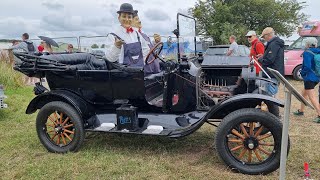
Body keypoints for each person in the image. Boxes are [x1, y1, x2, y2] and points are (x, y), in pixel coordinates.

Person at [105, 3, 149, 67]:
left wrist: (143, 64)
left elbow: (146, 50)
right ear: (119, 18)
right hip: (122, 74)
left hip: (138, 73)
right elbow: (110, 58)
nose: (127, 19)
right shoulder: (113, 35)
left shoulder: (137, 34)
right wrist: (117, 46)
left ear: (132, 18)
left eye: (129, 17)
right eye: (124, 16)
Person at [293, 37, 320, 122]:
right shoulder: (318, 51)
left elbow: (307, 66)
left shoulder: (307, 53)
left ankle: (319, 114)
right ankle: (301, 110)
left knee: (312, 97)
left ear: (308, 44)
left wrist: (302, 73)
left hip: (309, 77)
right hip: (317, 76)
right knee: (304, 93)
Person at [132, 10, 161, 74]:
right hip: (146, 71)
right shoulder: (133, 36)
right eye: (136, 19)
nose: (139, 21)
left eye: (138, 19)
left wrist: (156, 42)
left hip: (154, 68)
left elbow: (150, 49)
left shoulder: (144, 34)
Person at [258, 27, 284, 95]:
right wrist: (263, 56)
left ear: (268, 35)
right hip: (274, 73)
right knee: (270, 96)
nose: (264, 38)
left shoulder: (274, 44)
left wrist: (261, 59)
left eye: (264, 37)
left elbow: (270, 60)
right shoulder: (276, 43)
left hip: (271, 74)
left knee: (270, 96)